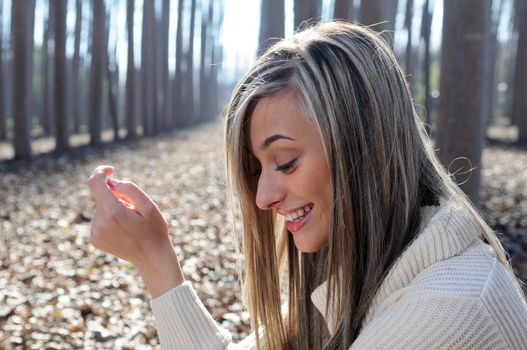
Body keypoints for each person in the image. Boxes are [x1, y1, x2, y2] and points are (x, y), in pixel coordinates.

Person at [87, 22, 527, 350]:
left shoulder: (447, 311)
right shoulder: (370, 273)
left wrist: (156, 261)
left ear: (364, 147)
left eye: (286, 162)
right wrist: (156, 260)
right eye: (258, 169)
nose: (263, 198)